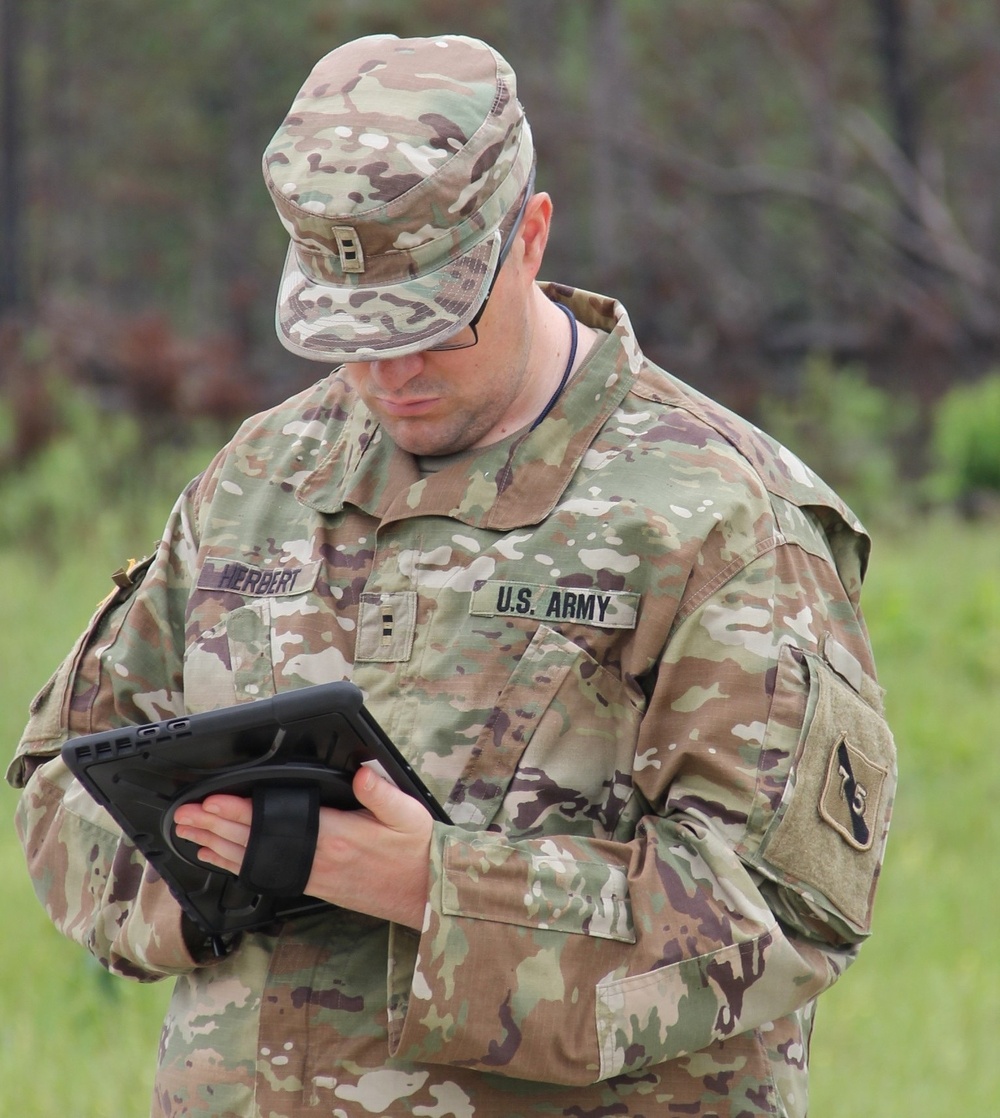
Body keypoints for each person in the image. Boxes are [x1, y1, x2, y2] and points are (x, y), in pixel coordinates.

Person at [8, 33, 896, 1118]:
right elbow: (61, 770)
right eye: (352, 331)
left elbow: (780, 910)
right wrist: (207, 873)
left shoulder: (719, 515)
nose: (391, 371)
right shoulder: (258, 474)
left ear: (529, 236)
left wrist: (420, 883)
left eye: (431, 321)